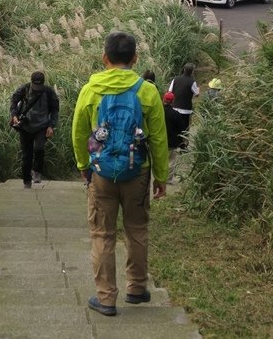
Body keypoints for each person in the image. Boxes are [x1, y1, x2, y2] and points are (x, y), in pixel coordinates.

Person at [72, 30, 168, 317]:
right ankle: (137, 288)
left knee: (103, 234)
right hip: (137, 171)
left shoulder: (91, 90)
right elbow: (160, 139)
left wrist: (83, 166)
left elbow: (78, 133)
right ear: (135, 58)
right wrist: (161, 177)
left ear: (105, 58)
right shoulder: (147, 91)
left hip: (101, 172)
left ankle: (106, 298)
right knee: (137, 230)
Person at [10, 71, 59, 188]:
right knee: (26, 155)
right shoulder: (24, 89)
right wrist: (14, 115)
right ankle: (26, 180)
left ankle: (37, 171)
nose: (37, 89)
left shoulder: (48, 92)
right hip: (25, 126)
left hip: (42, 127)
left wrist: (51, 126)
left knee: (39, 149)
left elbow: (55, 110)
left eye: (39, 86)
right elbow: (13, 101)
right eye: (35, 86)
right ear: (31, 82)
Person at [168, 63, 199, 134]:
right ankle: (184, 143)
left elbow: (170, 91)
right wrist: (198, 90)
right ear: (192, 71)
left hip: (174, 107)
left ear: (184, 69)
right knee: (185, 129)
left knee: (174, 128)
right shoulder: (192, 82)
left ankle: (175, 143)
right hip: (186, 109)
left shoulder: (175, 79)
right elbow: (197, 94)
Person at [162, 90, 186, 183]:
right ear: (172, 101)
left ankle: (159, 176)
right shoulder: (176, 114)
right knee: (171, 160)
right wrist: (182, 141)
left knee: (161, 159)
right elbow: (182, 129)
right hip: (172, 141)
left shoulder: (159, 111)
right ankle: (168, 179)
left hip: (160, 139)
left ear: (163, 99)